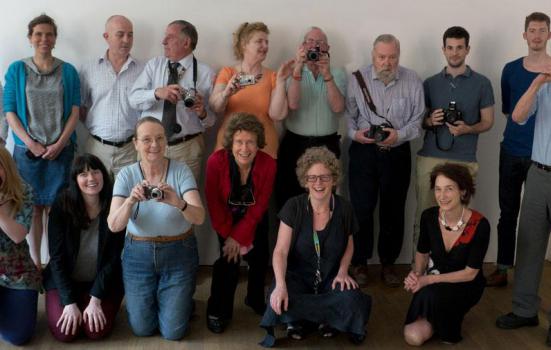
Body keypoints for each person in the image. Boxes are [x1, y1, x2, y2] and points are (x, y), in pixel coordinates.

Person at [260, 147, 371, 347]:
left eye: (324, 177)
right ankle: (326, 318)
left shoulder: (344, 207)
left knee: (353, 299)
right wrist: (281, 284)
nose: (318, 183)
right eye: (312, 178)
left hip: (331, 276)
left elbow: (349, 246)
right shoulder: (293, 207)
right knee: (278, 294)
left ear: (334, 179)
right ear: (305, 180)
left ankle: (301, 319)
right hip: (298, 277)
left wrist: (344, 271)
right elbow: (280, 251)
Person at [108, 116, 205, 340]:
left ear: (166, 141)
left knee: (173, 333)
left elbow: (199, 217)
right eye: (147, 139)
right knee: (142, 329)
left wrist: (177, 202)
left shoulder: (181, 171)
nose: (154, 145)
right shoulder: (126, 174)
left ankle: (178, 300)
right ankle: (169, 299)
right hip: (138, 256)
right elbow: (114, 225)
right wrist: (130, 201)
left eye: (160, 138)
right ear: (135, 143)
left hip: (179, 252)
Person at [346, 34, 424, 287]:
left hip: (397, 153)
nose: (387, 63)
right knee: (361, 210)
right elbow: (348, 115)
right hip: (363, 152)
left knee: (393, 210)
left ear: (398, 56)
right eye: (381, 57)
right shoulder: (357, 78)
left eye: (392, 57)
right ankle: (359, 262)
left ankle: (388, 263)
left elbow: (418, 120)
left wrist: (398, 135)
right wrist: (354, 134)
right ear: (373, 56)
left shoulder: (412, 80)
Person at [3, 14, 80, 267]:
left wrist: (59, 144)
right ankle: (36, 263)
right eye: (38, 34)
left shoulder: (67, 70)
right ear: (30, 38)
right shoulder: (17, 69)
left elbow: (75, 112)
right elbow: (10, 111)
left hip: (61, 151)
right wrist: (31, 143)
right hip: (27, 153)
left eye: (49, 34)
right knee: (33, 208)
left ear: (55, 38)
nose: (44, 39)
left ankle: (54, 264)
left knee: (58, 210)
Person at [414, 26, 494, 258]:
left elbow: (488, 121)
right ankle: (418, 270)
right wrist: (430, 120)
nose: (455, 53)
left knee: (460, 219)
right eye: (450, 48)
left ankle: (454, 270)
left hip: (465, 158)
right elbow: (417, 120)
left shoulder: (482, 83)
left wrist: (469, 128)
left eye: (460, 48)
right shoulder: (429, 83)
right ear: (443, 49)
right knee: (425, 215)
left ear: (468, 49)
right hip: (430, 156)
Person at [487, 12, 551, 287]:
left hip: (543, 159)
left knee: (536, 220)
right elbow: (509, 110)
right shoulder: (511, 69)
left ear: (549, 34)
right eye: (532, 30)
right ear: (524, 35)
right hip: (512, 150)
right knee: (508, 211)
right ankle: (502, 268)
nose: (536, 35)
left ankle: (530, 276)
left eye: (542, 30)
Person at [495, 42, 551, 347]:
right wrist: (538, 82)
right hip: (539, 172)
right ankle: (525, 309)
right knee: (529, 243)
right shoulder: (543, 84)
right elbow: (517, 116)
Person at [205, 113, 276, 333]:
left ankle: (254, 299)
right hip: (225, 219)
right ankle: (219, 309)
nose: (244, 148)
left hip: (254, 219)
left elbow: (260, 205)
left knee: (260, 258)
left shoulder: (269, 164)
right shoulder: (215, 162)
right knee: (229, 262)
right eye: (239, 142)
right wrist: (230, 237)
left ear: (258, 144)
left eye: (250, 142)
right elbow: (214, 204)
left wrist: (240, 235)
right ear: (231, 143)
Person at [403, 163, 489, 345]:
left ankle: (445, 319)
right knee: (412, 336)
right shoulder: (428, 217)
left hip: (465, 284)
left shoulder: (480, 225)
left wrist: (427, 280)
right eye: (438, 189)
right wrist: (417, 274)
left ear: (463, 192)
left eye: (449, 189)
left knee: (446, 336)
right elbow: (422, 253)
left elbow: (470, 273)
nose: (442, 196)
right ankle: (437, 319)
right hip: (434, 279)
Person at [43, 154, 125, 342]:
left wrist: (95, 299)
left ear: (103, 175)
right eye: (83, 174)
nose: (91, 179)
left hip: (101, 282)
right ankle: (77, 302)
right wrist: (69, 302)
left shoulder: (114, 205)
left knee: (95, 331)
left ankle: (90, 302)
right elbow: (56, 259)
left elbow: (114, 258)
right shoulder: (61, 205)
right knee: (66, 333)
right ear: (75, 180)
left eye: (95, 172)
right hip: (66, 281)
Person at [129, 20, 215, 180]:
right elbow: (133, 100)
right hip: (150, 147)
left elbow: (211, 121)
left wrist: (202, 112)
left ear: (186, 42)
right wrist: (156, 93)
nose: (163, 41)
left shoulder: (205, 73)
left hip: (187, 148)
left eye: (170, 37)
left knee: (185, 199)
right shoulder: (154, 65)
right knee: (147, 197)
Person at [275, 26, 346, 209]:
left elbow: (338, 107)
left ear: (328, 48)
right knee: (290, 197)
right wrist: (298, 69)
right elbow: (293, 104)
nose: (315, 46)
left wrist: (327, 75)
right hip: (295, 144)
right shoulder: (291, 71)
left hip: (327, 144)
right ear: (302, 46)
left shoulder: (337, 73)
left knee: (324, 201)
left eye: (320, 43)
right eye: (311, 42)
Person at [209, 21, 293, 159]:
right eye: (259, 41)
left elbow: (277, 115)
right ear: (244, 45)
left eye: (267, 42)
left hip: (263, 148)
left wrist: (281, 81)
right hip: (230, 146)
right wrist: (226, 94)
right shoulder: (227, 72)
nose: (265, 46)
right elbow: (215, 107)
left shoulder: (273, 76)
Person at [80, 15, 143, 176]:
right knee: (95, 197)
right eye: (120, 34)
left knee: (128, 198)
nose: (126, 40)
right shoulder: (89, 69)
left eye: (130, 34)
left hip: (130, 150)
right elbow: (80, 107)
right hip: (96, 148)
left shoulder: (143, 70)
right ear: (106, 37)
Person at [0, 147, 41, 345]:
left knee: (18, 336)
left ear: (6, 167)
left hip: (19, 272)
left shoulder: (24, 190)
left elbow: (17, 235)